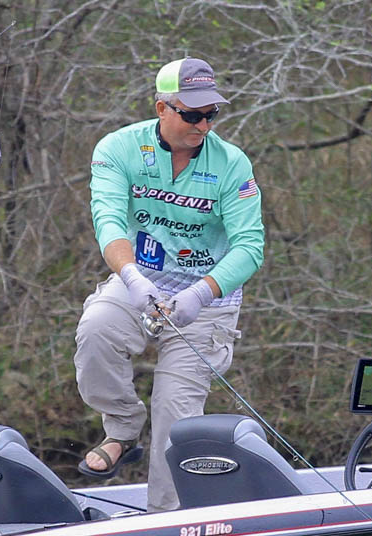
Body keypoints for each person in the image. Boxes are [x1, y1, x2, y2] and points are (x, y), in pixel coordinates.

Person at [75, 58, 265, 511]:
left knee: (174, 412)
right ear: (162, 108)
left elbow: (250, 248)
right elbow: (108, 221)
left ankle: (168, 517)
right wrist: (131, 277)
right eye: (192, 115)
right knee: (96, 329)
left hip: (207, 298)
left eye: (211, 114)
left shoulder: (232, 163)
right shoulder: (118, 148)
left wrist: (201, 293)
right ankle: (122, 429)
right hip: (140, 280)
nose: (204, 126)